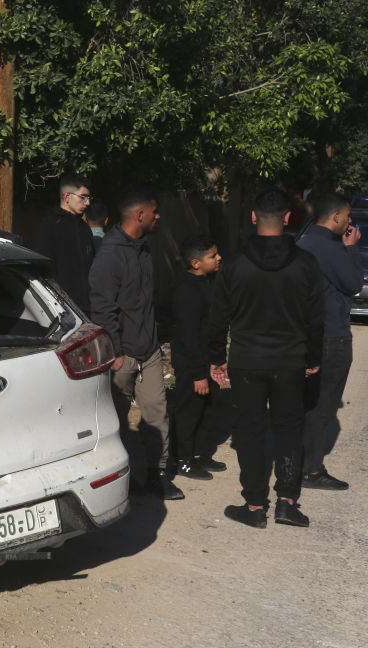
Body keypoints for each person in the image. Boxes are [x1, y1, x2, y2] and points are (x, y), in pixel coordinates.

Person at [209, 187, 323, 528]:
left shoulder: (233, 264)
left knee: (250, 431)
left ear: (253, 217)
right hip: (290, 360)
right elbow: (316, 318)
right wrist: (313, 357)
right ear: (288, 218)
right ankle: (287, 502)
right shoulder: (305, 263)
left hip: (247, 361)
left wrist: (216, 357)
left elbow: (218, 317)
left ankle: (255, 506)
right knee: (289, 430)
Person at [89, 186, 183, 500]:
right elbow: (103, 308)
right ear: (139, 215)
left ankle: (156, 476)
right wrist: (115, 353)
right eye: (154, 212)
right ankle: (121, 481)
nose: (158, 217)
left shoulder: (144, 248)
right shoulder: (110, 253)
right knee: (115, 421)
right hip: (122, 355)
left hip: (149, 350)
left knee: (157, 413)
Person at [297, 192, 363, 490]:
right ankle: (311, 470)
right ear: (335, 217)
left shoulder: (302, 243)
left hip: (304, 334)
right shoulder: (330, 248)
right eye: (347, 216)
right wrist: (351, 249)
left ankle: (297, 462)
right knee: (323, 405)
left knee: (306, 402)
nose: (350, 221)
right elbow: (351, 284)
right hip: (331, 336)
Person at [170, 234, 225, 481]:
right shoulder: (187, 292)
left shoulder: (207, 283)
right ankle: (182, 460)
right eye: (212, 256)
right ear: (195, 263)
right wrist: (198, 374)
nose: (218, 258)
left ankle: (200, 454)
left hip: (206, 361)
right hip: (191, 365)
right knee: (188, 412)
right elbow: (189, 337)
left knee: (207, 410)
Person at [34, 174, 95, 313]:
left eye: (89, 198)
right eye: (83, 197)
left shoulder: (84, 227)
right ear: (67, 197)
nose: (87, 203)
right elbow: (44, 270)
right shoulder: (49, 226)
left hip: (88, 308)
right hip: (61, 309)